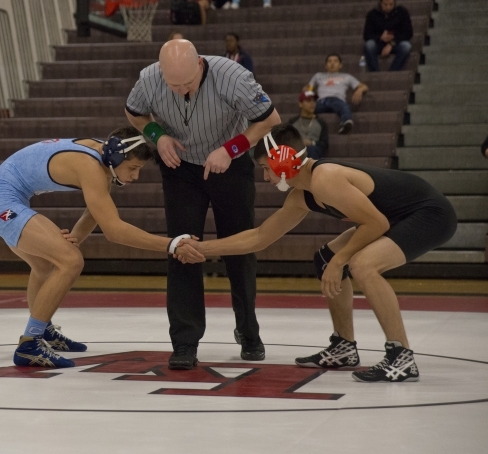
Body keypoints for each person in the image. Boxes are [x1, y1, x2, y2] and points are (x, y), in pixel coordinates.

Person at [179, 123, 457, 382]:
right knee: (326, 259)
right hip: (397, 216)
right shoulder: (302, 195)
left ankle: (402, 357)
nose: (265, 177)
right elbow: (260, 237)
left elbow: (376, 224)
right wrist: (203, 247)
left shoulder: (326, 178)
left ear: (283, 160)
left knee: (362, 265)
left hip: (428, 215)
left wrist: (341, 261)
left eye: (266, 168)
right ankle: (344, 347)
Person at [0, 127, 204, 368]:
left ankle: (44, 330)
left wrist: (71, 240)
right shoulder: (91, 166)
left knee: (45, 266)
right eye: (134, 168)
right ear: (116, 158)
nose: (135, 177)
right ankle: (29, 344)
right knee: (71, 261)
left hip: (6, 197)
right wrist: (172, 244)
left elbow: (93, 213)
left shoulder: (104, 154)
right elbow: (114, 231)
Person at [125, 39, 281, 370]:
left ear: (199, 65)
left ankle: (248, 331)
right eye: (173, 84)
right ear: (161, 72)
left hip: (229, 164)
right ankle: (184, 342)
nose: (182, 90)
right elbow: (134, 114)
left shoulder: (233, 76)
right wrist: (157, 135)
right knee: (181, 249)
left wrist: (232, 149)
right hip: (180, 169)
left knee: (240, 249)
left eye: (188, 83)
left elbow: (269, 120)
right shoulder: (149, 78)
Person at [306, 54, 368, 135]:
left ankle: (346, 123)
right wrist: (307, 91)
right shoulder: (318, 75)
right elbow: (309, 88)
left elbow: (364, 86)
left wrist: (360, 90)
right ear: (325, 65)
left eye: (335, 61)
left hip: (337, 100)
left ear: (340, 65)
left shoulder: (347, 77)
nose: (332, 63)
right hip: (322, 101)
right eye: (329, 61)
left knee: (345, 107)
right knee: (308, 107)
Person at [363, 0, 413, 72]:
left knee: (406, 46)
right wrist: (380, 37)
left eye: (391, 4)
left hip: (396, 42)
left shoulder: (402, 12)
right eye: (385, 5)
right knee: (369, 45)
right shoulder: (372, 14)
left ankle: (393, 71)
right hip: (378, 43)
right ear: (380, 3)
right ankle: (375, 72)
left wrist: (392, 42)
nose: (388, 7)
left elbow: (408, 33)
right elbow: (366, 35)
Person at [286, 90, 328, 159]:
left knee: (312, 150)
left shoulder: (321, 123)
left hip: (314, 152)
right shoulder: (292, 122)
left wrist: (311, 143)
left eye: (314, 101)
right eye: (308, 101)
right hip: (296, 152)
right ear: (300, 104)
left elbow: (324, 144)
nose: (312, 103)